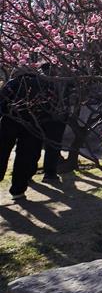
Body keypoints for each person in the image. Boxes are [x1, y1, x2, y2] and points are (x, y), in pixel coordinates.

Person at [0, 66, 54, 200]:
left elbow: (1, 102)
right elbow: (50, 107)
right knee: (25, 157)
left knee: (2, 153)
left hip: (10, 121)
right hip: (33, 124)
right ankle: (18, 190)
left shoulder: (12, 84)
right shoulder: (44, 85)